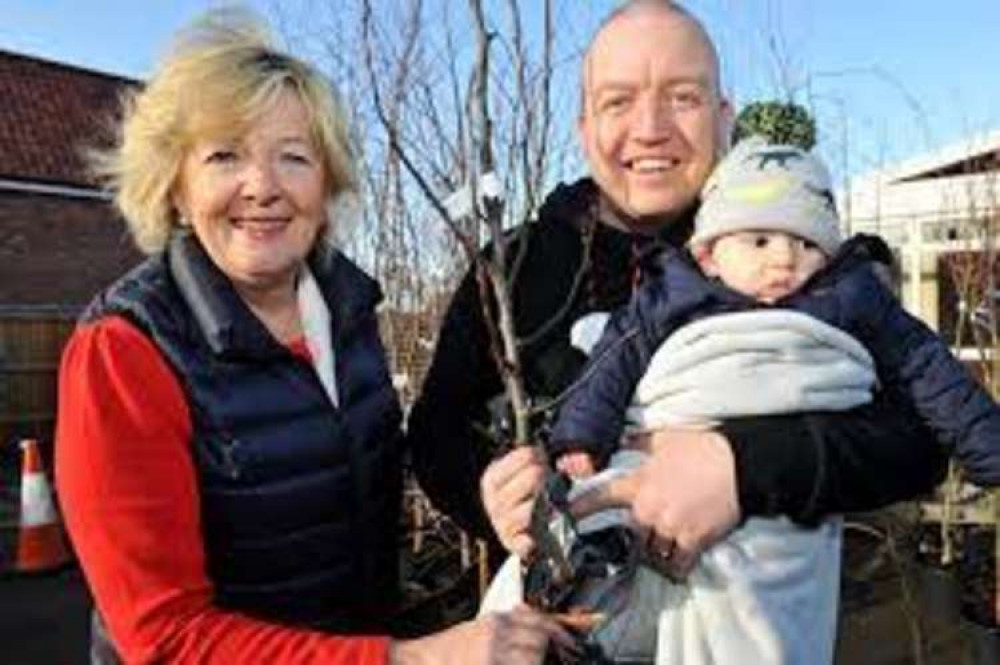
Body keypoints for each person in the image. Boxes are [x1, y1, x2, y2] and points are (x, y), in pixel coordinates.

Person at [54, 10, 569, 665]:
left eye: (293, 157)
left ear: (326, 185)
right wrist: (412, 658)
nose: (263, 186)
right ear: (177, 188)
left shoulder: (347, 312)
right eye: (224, 155)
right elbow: (165, 638)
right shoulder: (124, 352)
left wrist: (496, 488)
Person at [408, 0, 946, 588]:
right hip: (572, 623)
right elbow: (435, 433)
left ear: (723, 117)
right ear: (584, 128)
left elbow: (921, 439)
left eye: (682, 97)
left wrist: (745, 467)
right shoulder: (513, 269)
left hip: (770, 615)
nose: (649, 128)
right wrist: (491, 494)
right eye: (618, 101)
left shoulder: (795, 251)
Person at [481, 137, 1000, 664]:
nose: (784, 260)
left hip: (787, 526)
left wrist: (987, 445)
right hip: (650, 460)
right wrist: (578, 435)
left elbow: (928, 373)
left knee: (745, 613)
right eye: (759, 241)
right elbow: (613, 361)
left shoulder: (850, 294)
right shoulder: (668, 290)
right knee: (584, 523)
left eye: (805, 245)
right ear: (709, 254)